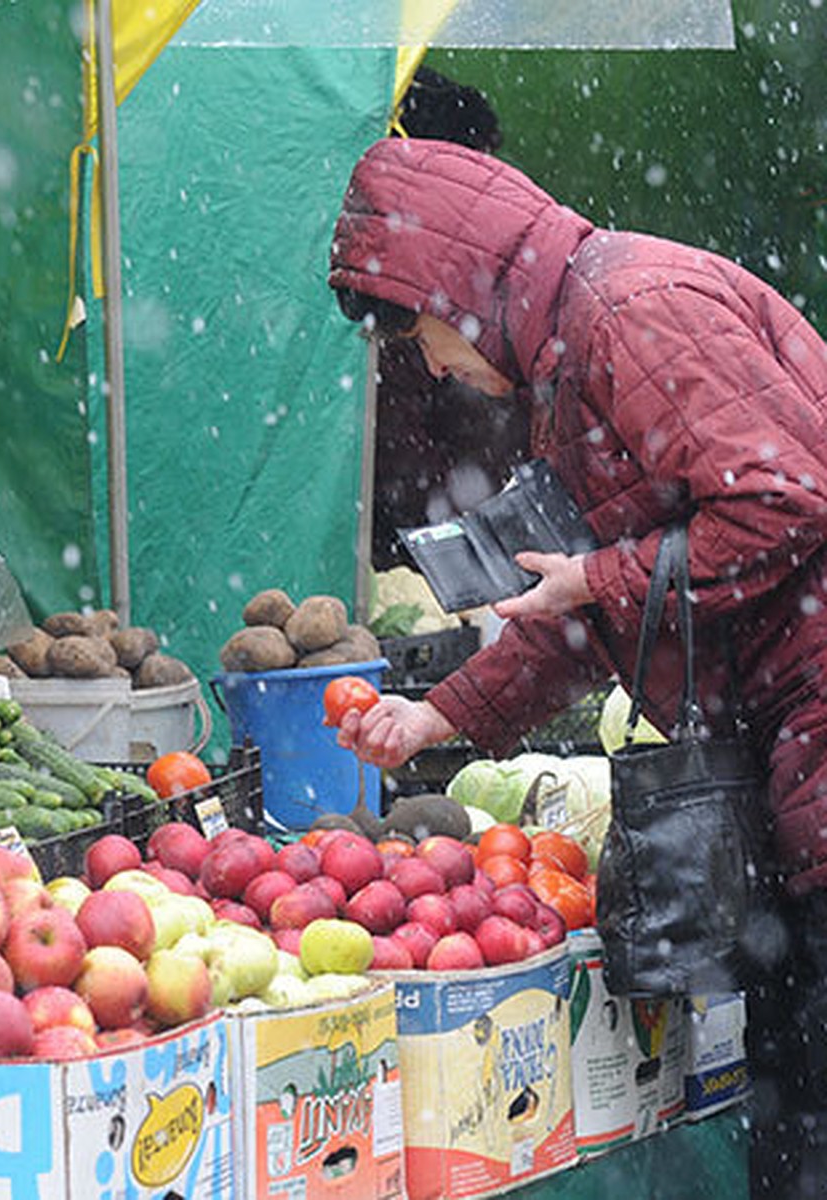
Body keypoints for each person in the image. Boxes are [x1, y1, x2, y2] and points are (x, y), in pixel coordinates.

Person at [328, 136, 827, 1198]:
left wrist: (600, 577)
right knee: (794, 1099)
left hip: (812, 724)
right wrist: (438, 718)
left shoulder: (626, 309)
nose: (430, 366)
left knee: (811, 1102)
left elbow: (783, 499)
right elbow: (588, 608)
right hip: (790, 749)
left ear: (457, 287)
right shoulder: (568, 357)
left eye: (419, 333)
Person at [370, 66, 527, 572]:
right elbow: (402, 463)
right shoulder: (400, 299)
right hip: (430, 550)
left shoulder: (483, 281)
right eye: (476, 172)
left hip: (466, 538)